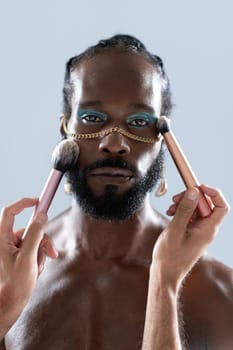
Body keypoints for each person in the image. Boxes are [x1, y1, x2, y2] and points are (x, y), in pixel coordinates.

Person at [0, 34, 232, 350]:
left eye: (138, 121)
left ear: (164, 137)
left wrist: (164, 283)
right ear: (65, 128)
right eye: (92, 118)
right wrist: (5, 307)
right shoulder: (9, 278)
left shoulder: (219, 296)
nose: (114, 143)